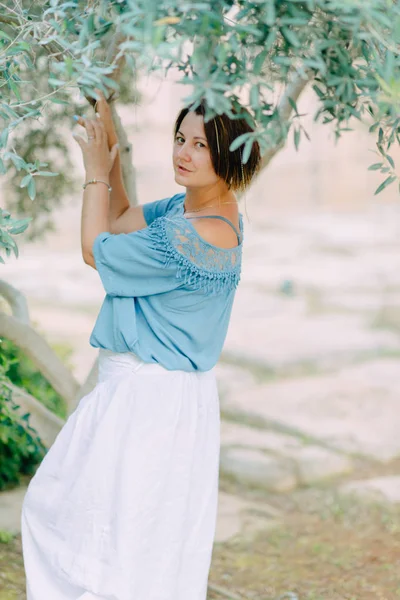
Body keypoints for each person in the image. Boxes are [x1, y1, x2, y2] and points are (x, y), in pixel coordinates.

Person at [20, 88, 261, 600]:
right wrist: (108, 135)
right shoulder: (193, 210)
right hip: (157, 395)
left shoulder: (197, 233)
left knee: (111, 538)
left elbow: (94, 248)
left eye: (201, 144)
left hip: (148, 397)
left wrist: (90, 169)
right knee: (117, 535)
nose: (184, 152)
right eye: (180, 138)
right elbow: (122, 215)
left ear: (230, 154)